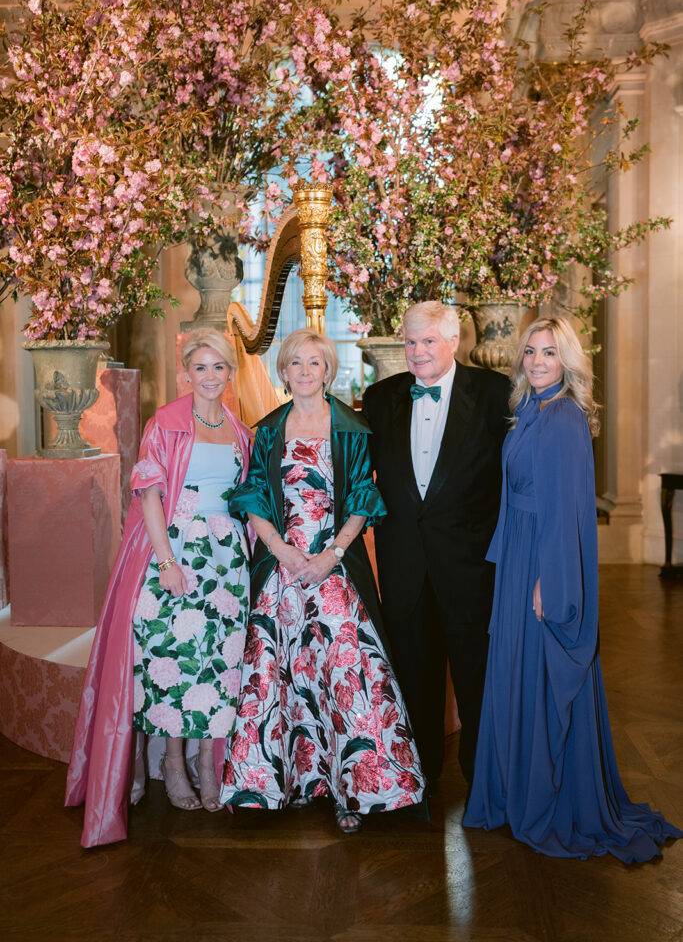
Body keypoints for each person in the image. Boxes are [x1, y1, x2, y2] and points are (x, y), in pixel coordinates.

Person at [463, 316, 681, 861]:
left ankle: (548, 799)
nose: (537, 362)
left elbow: (565, 511)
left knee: (537, 672)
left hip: (542, 561)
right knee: (516, 670)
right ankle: (515, 792)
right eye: (531, 352)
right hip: (521, 553)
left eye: (550, 353)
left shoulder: (561, 417)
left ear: (568, 361)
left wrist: (548, 581)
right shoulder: (531, 409)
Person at [220, 328, 425, 832]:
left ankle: (356, 790)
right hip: (282, 569)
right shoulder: (268, 430)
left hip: (335, 566)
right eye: (296, 363)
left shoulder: (352, 427)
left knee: (345, 670)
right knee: (283, 674)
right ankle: (294, 782)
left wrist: (331, 555)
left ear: (328, 370)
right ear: (284, 371)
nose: (306, 371)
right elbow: (254, 498)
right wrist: (283, 552)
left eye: (315, 362)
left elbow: (362, 499)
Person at [65, 329, 253, 847]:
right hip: (178, 550)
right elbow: (149, 495)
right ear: (186, 374)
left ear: (230, 373)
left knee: (220, 662)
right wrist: (167, 562)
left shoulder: (240, 430)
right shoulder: (165, 422)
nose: (210, 376)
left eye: (219, 367)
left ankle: (208, 765)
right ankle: (172, 763)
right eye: (201, 367)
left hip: (227, 560)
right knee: (174, 659)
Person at [362, 301, 509, 790]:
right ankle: (417, 782)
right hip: (404, 564)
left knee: (476, 681)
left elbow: (513, 478)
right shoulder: (380, 397)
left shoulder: (494, 393)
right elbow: (358, 477)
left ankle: (484, 784)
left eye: (428, 341)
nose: (417, 351)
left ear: (453, 341)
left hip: (471, 566)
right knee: (413, 680)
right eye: (410, 341)